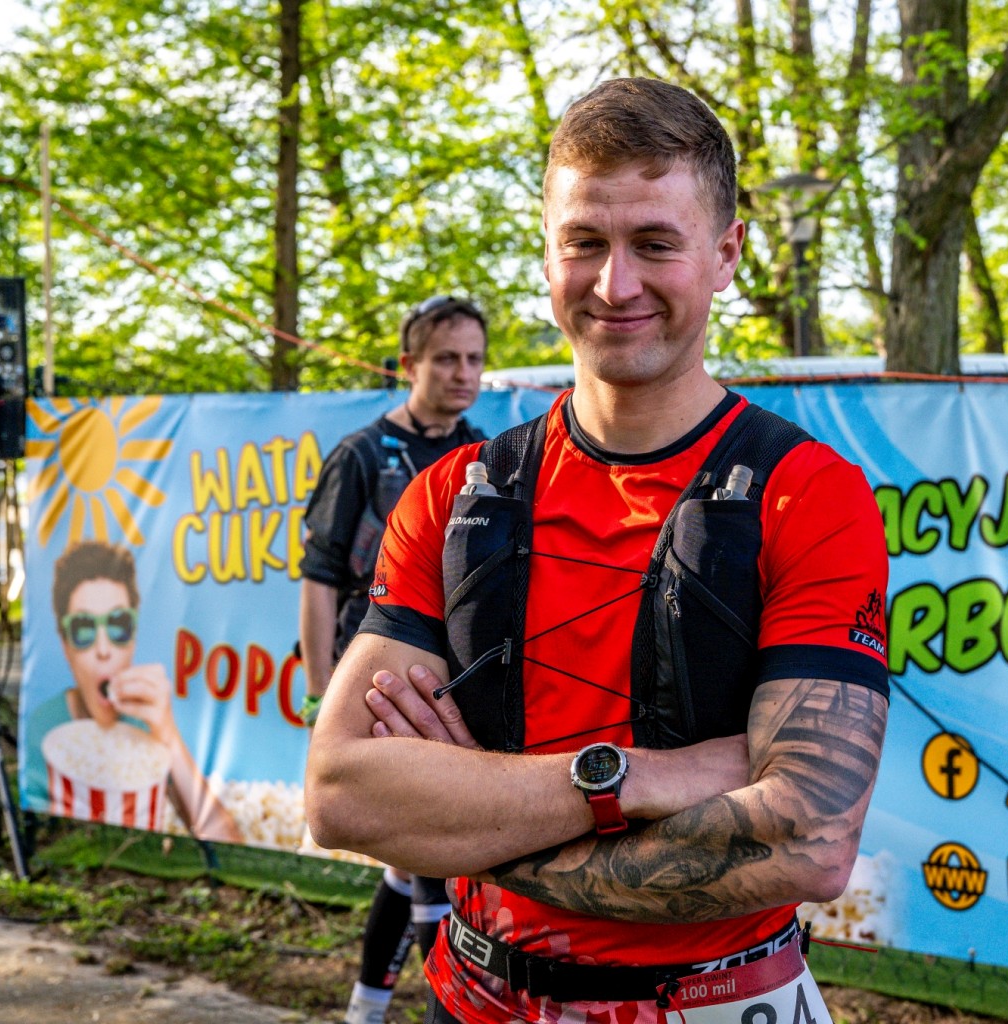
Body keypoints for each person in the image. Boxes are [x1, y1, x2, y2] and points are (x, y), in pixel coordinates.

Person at [306, 78, 890, 1024]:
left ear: (727, 254)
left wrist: (476, 823)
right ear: (547, 255)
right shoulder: (453, 495)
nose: (615, 285)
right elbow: (342, 794)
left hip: (714, 1006)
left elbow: (808, 840)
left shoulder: (808, 495)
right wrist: (640, 777)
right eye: (584, 242)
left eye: (655, 243)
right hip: (473, 999)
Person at [298, 295, 488, 1024]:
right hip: (374, 678)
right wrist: (322, 694)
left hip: (455, 684)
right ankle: (436, 1009)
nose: (463, 373)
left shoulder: (486, 454)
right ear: (408, 364)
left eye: (474, 359)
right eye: (446, 359)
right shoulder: (360, 455)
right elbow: (319, 580)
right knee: (429, 858)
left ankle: (366, 1008)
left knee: (413, 862)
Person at [33, 540, 242, 843]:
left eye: (118, 625)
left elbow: (226, 841)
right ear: (65, 645)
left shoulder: (145, 725)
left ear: (133, 638)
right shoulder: (42, 727)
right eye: (83, 629)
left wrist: (168, 733)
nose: (103, 649)